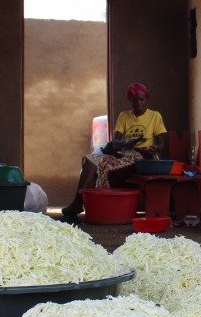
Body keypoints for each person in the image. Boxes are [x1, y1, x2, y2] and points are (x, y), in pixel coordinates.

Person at [60, 82, 167, 223]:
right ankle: (78, 202)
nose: (139, 103)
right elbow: (115, 142)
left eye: (142, 99)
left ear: (146, 99)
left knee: (102, 166)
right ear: (130, 100)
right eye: (135, 99)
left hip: (141, 157)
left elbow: (161, 144)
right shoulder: (124, 116)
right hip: (122, 153)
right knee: (90, 160)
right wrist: (127, 143)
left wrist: (154, 148)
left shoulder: (155, 116)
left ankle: (81, 204)